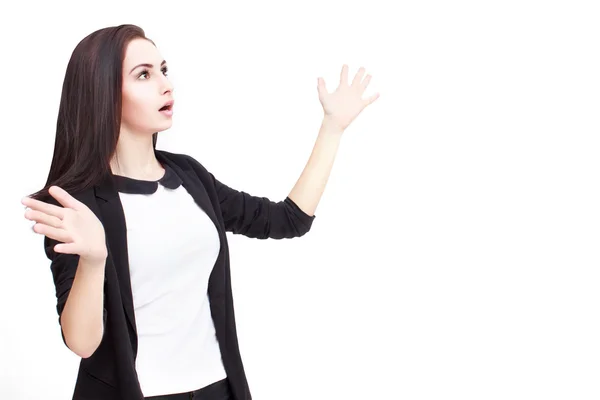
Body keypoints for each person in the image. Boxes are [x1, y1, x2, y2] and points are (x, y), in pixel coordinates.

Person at [21, 24, 379, 400]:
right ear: (104, 93)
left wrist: (332, 128)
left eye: (163, 69)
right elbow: (82, 343)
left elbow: (287, 220)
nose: (165, 84)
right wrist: (94, 260)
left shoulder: (189, 176)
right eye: (143, 75)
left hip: (218, 389)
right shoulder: (76, 205)